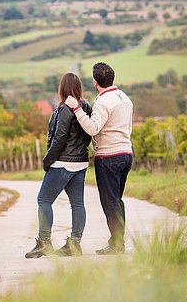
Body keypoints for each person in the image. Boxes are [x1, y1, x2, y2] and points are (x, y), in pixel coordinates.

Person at [64, 62, 133, 255]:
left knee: (110, 202)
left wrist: (76, 108)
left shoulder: (103, 102)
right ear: (112, 78)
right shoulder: (124, 97)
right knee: (117, 200)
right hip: (126, 153)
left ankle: (117, 244)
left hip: (109, 156)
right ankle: (117, 241)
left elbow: (93, 128)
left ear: (95, 82)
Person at [25, 73, 93, 258]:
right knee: (77, 204)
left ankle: (44, 243)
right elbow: (87, 134)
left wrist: (48, 160)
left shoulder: (64, 109)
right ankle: (75, 243)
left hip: (62, 163)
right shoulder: (85, 106)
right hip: (80, 162)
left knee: (44, 201)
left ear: (62, 87)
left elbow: (59, 138)